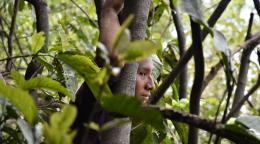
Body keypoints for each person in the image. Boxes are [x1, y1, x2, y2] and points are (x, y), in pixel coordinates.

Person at [72, 0, 155, 143]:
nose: (151, 85)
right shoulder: (98, 93)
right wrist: (109, 11)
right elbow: (113, 55)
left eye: (150, 75)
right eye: (142, 73)